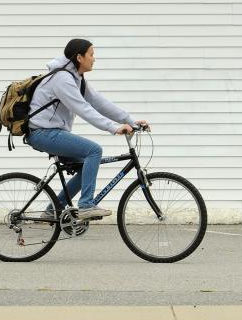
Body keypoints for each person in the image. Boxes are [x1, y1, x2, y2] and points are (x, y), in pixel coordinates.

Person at [26, 38, 149, 220]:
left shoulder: (76, 78)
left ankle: (53, 210)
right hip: (42, 133)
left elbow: (99, 103)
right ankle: (86, 205)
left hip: (52, 132)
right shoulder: (62, 79)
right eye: (91, 54)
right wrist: (114, 128)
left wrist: (130, 121)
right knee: (94, 150)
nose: (94, 59)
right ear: (79, 57)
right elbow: (83, 109)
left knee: (87, 165)